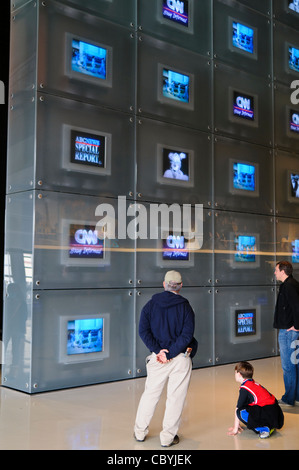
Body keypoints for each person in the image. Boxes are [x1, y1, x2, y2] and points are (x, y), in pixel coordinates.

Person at [133, 270, 197, 447]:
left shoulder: (150, 305)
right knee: (176, 398)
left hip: (158, 359)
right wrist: (171, 353)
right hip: (180, 358)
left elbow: (143, 331)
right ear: (180, 286)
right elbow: (187, 335)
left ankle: (139, 432)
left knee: (150, 395)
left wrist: (158, 351)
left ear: (164, 284)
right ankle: (167, 438)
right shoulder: (186, 307)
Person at [228, 361, 284, 439]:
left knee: (240, 412)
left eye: (235, 373)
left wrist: (235, 429)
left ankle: (264, 429)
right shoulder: (252, 383)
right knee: (246, 406)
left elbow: (238, 408)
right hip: (275, 413)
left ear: (239, 374)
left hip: (269, 412)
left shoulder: (244, 389)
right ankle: (270, 424)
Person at [273, 260, 299, 406]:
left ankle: (289, 398)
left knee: (288, 366)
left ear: (283, 271)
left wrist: (297, 326)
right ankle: (296, 396)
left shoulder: (288, 286)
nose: (275, 273)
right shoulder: (292, 284)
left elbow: (297, 307)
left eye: (276, 270)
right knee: (294, 364)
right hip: (290, 329)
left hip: (288, 331)